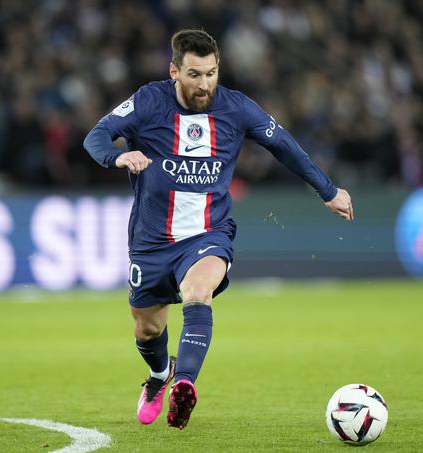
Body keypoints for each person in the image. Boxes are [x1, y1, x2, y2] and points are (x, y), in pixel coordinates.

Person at [83, 29, 353, 430]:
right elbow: (96, 136)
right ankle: (161, 375)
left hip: (209, 233)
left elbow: (284, 145)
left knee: (197, 292)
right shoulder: (148, 101)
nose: (204, 83)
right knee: (147, 326)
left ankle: (185, 385)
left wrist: (327, 190)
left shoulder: (237, 108)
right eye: (194, 74)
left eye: (211, 73)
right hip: (151, 241)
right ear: (174, 70)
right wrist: (118, 158)